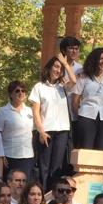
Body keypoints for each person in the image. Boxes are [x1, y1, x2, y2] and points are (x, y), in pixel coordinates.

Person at [30, 56, 74, 190]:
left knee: (56, 167)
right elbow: (36, 112)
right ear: (49, 68)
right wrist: (41, 132)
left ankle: (53, 195)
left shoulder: (63, 87)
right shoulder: (39, 87)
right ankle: (42, 194)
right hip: (46, 131)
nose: (58, 70)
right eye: (56, 66)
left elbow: (74, 81)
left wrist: (66, 64)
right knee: (44, 166)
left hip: (62, 131)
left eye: (60, 68)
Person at [72, 47, 103, 150]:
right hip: (86, 117)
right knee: (85, 149)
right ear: (94, 60)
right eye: (101, 58)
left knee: (102, 150)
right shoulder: (84, 77)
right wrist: (80, 115)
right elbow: (75, 101)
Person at [0, 81, 35, 181]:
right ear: (10, 94)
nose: (21, 93)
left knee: (24, 186)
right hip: (9, 157)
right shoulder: (2, 112)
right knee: (10, 185)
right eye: (17, 91)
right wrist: (1, 154)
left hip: (27, 156)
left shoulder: (30, 111)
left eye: (23, 91)